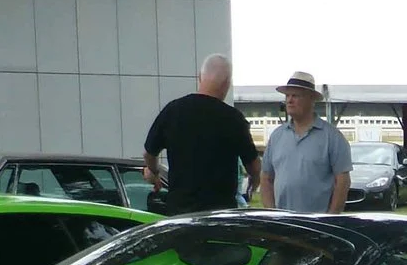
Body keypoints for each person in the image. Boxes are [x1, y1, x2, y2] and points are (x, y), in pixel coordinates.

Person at [143, 53, 259, 214]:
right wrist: (255, 179)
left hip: (180, 214)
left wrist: (154, 172)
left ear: (200, 77)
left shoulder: (173, 111)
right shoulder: (233, 119)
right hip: (220, 215)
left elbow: (149, 153)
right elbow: (253, 165)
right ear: (227, 83)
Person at [255, 70, 348, 214]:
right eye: (287, 96)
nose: (289, 100)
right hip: (283, 225)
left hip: (318, 225)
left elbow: (342, 181)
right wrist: (272, 215)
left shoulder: (332, 137)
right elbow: (266, 178)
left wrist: (330, 219)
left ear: (311, 99)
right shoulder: (277, 136)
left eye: (295, 96)